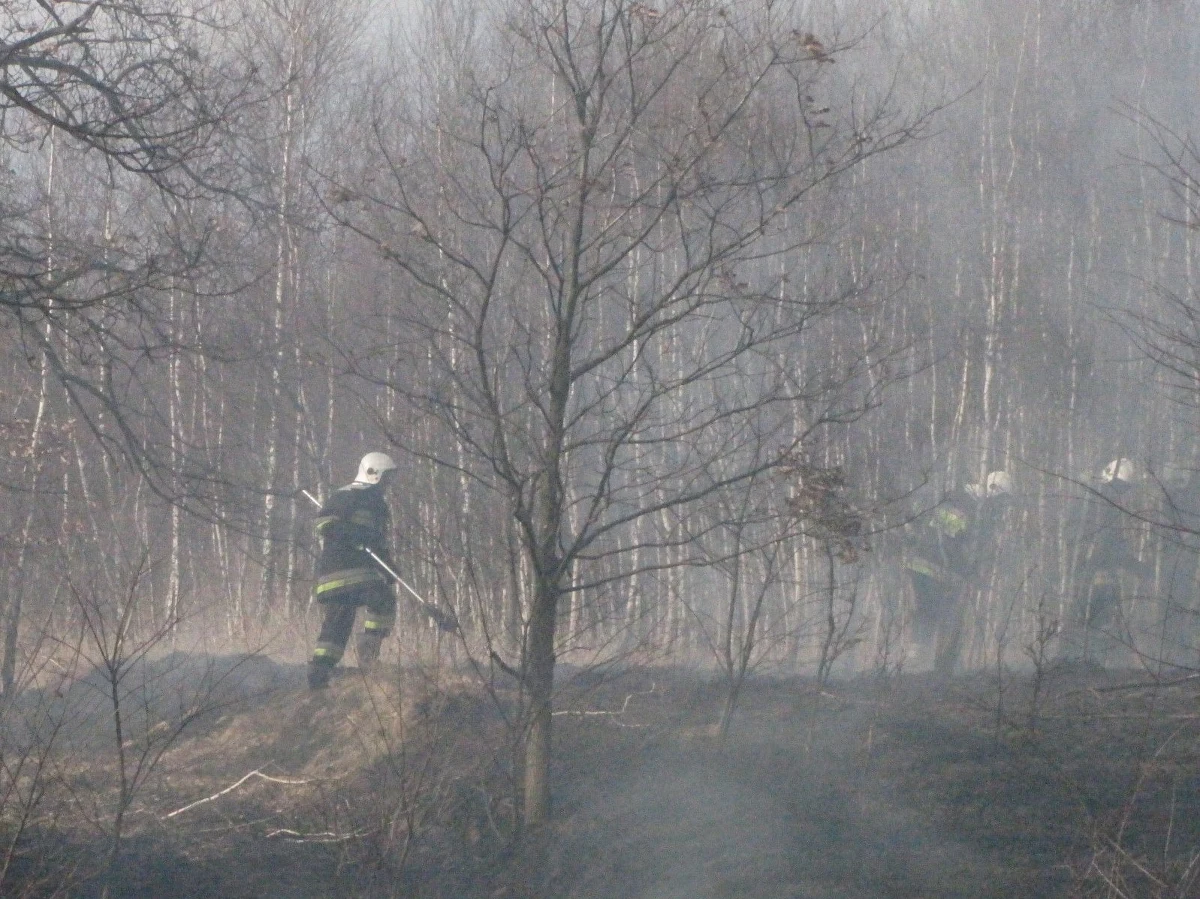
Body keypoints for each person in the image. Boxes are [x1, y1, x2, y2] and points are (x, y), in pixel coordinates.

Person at [904, 470, 1012, 676]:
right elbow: (955, 543)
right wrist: (968, 571)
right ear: (993, 489)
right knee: (932, 611)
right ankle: (921, 658)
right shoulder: (967, 506)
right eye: (1002, 500)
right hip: (932, 566)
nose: (1002, 507)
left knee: (938, 613)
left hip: (936, 567)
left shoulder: (965, 503)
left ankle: (934, 661)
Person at [307, 451, 399, 689]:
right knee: (379, 601)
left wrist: (388, 566)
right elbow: (324, 523)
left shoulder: (378, 505)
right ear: (374, 474)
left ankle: (320, 671)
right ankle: (365, 659)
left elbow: (376, 543)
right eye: (386, 477)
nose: (389, 484)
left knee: (341, 620)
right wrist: (351, 534)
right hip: (344, 569)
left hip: (353, 573)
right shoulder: (348, 496)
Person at [1060, 458, 1150, 666]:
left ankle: (1086, 658)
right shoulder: (1100, 506)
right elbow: (1110, 544)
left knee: (1097, 614)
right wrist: (1136, 567)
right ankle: (1078, 658)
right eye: (1120, 487)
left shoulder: (1095, 502)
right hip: (1092, 571)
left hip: (1094, 570)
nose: (1122, 493)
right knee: (1094, 613)